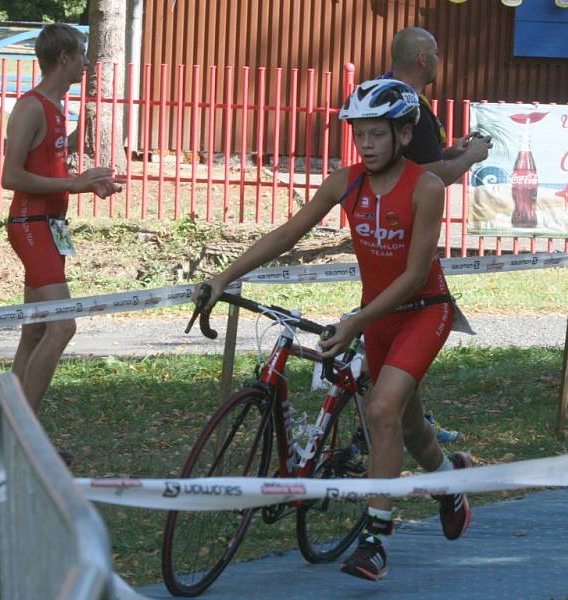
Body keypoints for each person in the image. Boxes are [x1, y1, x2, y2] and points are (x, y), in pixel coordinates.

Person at [195, 79, 472, 581]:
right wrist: (222, 277)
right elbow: (285, 234)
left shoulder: (425, 188)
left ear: (405, 135)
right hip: (378, 316)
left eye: (377, 135)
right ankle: (450, 481)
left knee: (382, 409)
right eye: (359, 134)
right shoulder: (345, 183)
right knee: (408, 428)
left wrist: (354, 323)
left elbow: (413, 275)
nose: (366, 144)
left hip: (424, 312)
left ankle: (375, 540)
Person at [3, 24, 121, 416]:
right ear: (64, 58)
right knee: (62, 326)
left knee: (36, 328)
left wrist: (90, 184)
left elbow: (55, 174)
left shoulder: (56, 108)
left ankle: (11, 430)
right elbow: (11, 176)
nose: (86, 63)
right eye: (82, 55)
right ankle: (26, 433)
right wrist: (74, 184)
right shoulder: (31, 105)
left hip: (52, 226)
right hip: (30, 225)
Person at [384, 26, 492, 441]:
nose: (441, 61)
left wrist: (453, 152)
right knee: (411, 324)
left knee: (397, 326)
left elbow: (414, 162)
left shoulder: (386, 91)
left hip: (389, 225)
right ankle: (387, 422)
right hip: (408, 231)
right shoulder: (408, 101)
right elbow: (428, 177)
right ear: (423, 60)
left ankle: (410, 418)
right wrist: (472, 158)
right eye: (439, 54)